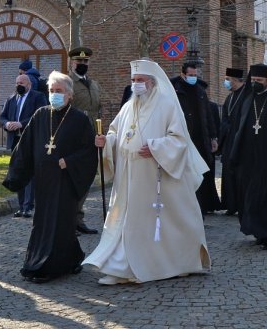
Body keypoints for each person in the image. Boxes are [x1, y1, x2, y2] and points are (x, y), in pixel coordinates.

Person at [85, 58, 210, 285]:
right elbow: (116, 132)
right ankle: (122, 267)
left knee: (160, 222)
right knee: (128, 220)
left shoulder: (167, 104)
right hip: (129, 175)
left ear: (151, 82)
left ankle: (175, 262)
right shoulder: (128, 106)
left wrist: (155, 147)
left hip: (157, 176)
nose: (136, 84)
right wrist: (107, 141)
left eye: (140, 80)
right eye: (133, 80)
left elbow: (179, 140)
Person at [3, 71, 98, 283]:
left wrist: (69, 162)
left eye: (60, 91)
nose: (55, 94)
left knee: (62, 221)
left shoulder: (80, 119)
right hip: (44, 179)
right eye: (52, 91)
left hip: (65, 180)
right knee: (43, 221)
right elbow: (24, 146)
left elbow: (88, 152)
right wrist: (16, 175)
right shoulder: (40, 115)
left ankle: (54, 265)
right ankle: (48, 260)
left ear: (70, 95)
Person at [226, 63, 267, 249]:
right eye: (253, 80)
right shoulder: (246, 100)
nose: (255, 83)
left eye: (259, 80)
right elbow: (237, 129)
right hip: (248, 158)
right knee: (250, 196)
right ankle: (257, 230)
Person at [171, 61, 221, 214]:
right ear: (183, 74)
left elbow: (208, 116)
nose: (193, 78)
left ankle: (203, 206)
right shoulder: (176, 91)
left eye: (195, 75)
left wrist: (213, 137)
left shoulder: (200, 91)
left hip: (201, 139)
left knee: (201, 172)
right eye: (190, 75)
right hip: (185, 139)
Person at [1, 73, 48, 218]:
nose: (18, 85)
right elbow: (2, 116)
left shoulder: (38, 97)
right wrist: (7, 123)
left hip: (31, 139)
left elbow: (40, 115)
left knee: (30, 173)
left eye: (21, 83)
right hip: (15, 140)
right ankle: (21, 206)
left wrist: (22, 123)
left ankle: (28, 206)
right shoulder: (11, 98)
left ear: (29, 84)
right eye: (17, 83)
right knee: (17, 172)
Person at [68, 46, 102, 235]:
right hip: (73, 136)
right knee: (72, 179)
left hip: (91, 137)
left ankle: (78, 218)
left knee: (87, 177)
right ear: (72, 63)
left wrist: (100, 133)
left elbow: (98, 110)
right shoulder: (67, 82)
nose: (82, 64)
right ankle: (67, 220)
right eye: (79, 61)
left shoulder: (94, 84)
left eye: (85, 61)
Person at [217, 67, 246, 216]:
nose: (226, 82)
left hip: (240, 141)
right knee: (227, 172)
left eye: (228, 79)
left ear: (236, 80)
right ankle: (230, 204)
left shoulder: (247, 95)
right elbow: (225, 118)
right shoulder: (230, 97)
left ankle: (240, 204)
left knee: (239, 174)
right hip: (229, 140)